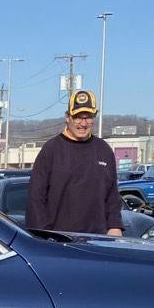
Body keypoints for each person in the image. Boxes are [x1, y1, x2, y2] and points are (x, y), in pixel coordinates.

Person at [27, 89, 122, 235]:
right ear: (67, 117)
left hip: (98, 240)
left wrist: (115, 227)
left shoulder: (104, 150)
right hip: (60, 241)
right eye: (78, 117)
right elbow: (36, 198)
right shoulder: (51, 149)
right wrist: (44, 235)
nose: (83, 123)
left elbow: (112, 197)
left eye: (88, 117)